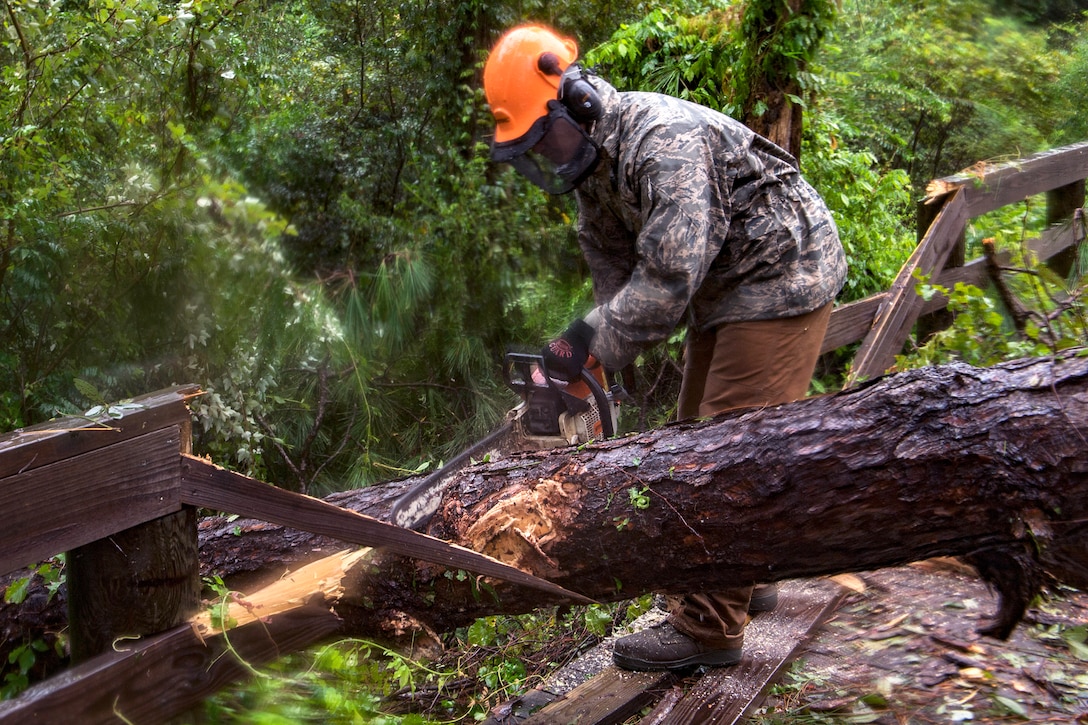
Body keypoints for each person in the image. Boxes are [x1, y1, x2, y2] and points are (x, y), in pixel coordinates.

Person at [482, 24, 847, 671]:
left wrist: (583, 346)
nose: (551, 155)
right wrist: (577, 363)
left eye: (548, 136)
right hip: (724, 288)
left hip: (781, 270)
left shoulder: (661, 142)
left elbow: (666, 284)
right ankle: (748, 575)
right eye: (535, 149)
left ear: (581, 102)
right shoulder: (593, 181)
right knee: (691, 437)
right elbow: (615, 294)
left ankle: (710, 626)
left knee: (727, 448)